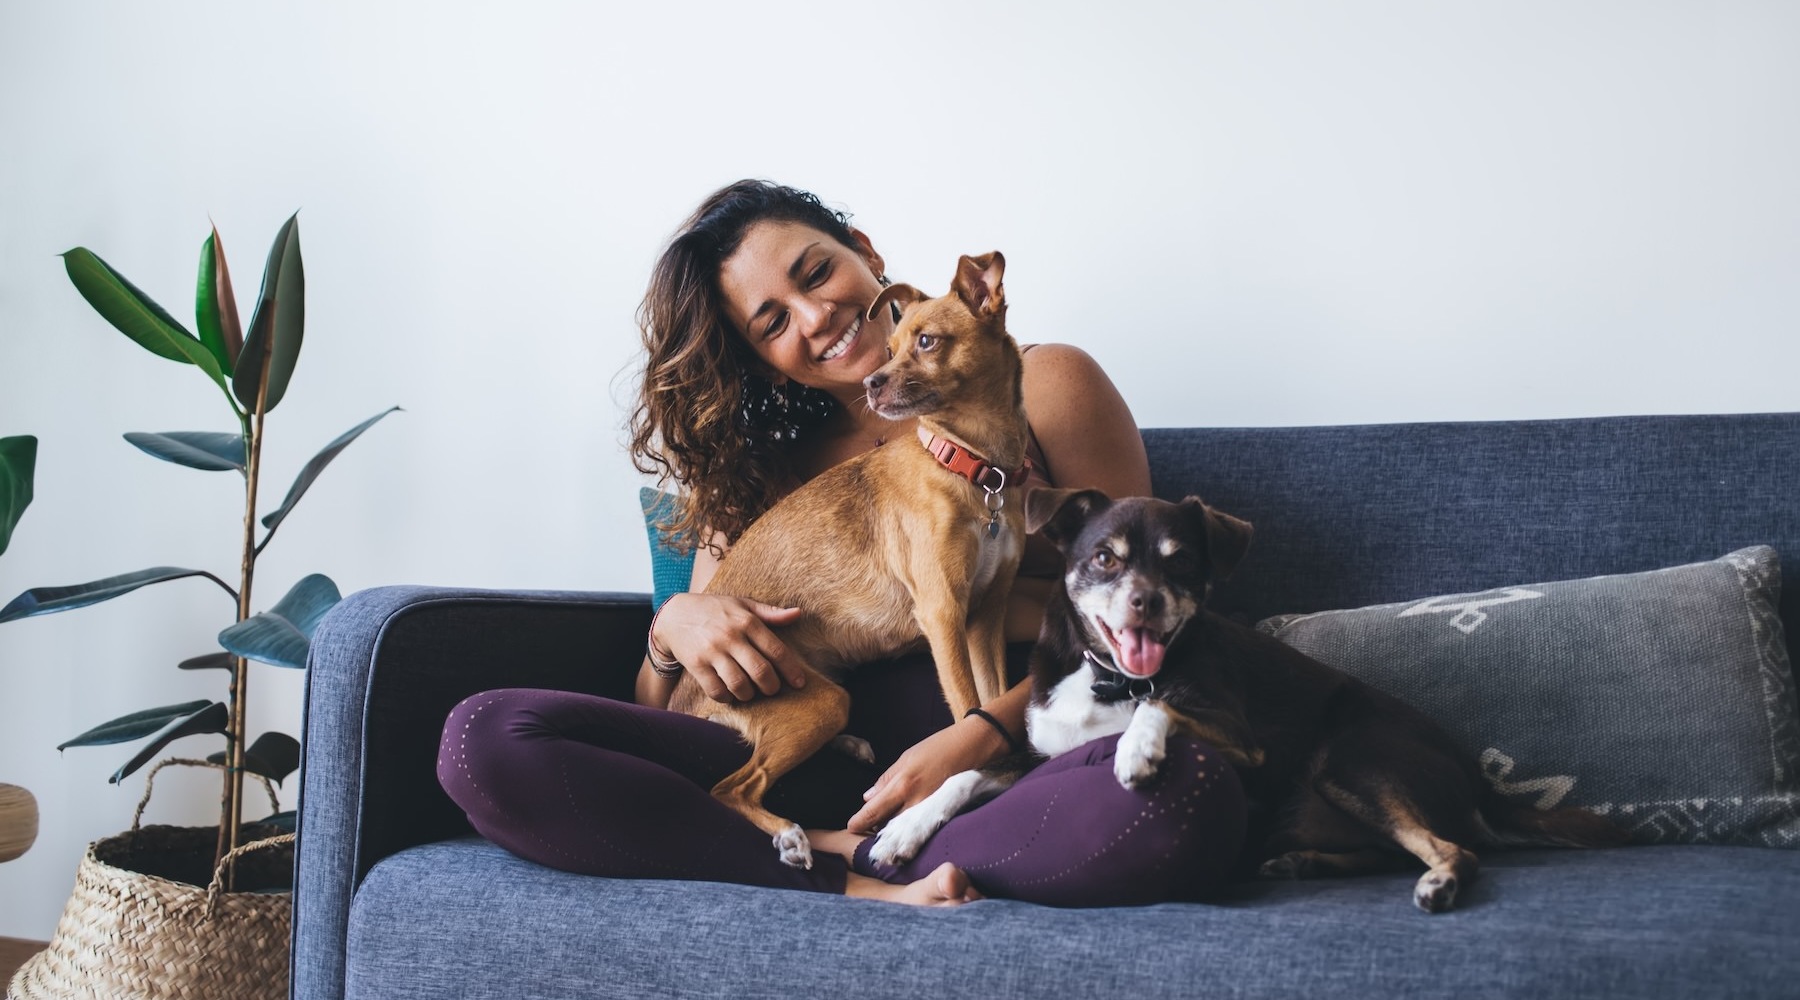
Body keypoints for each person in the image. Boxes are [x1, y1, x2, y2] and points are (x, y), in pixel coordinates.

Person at [438, 180, 1245, 907]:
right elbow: (667, 717)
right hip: (795, 759)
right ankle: (845, 869)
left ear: (866, 257)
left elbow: (1146, 622)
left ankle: (835, 855)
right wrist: (670, 629)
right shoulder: (758, 483)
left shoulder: (1046, 386)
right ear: (768, 365)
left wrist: (977, 739)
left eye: (816, 273)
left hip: (982, 778)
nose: (816, 316)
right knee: (483, 742)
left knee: (1185, 792)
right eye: (773, 322)